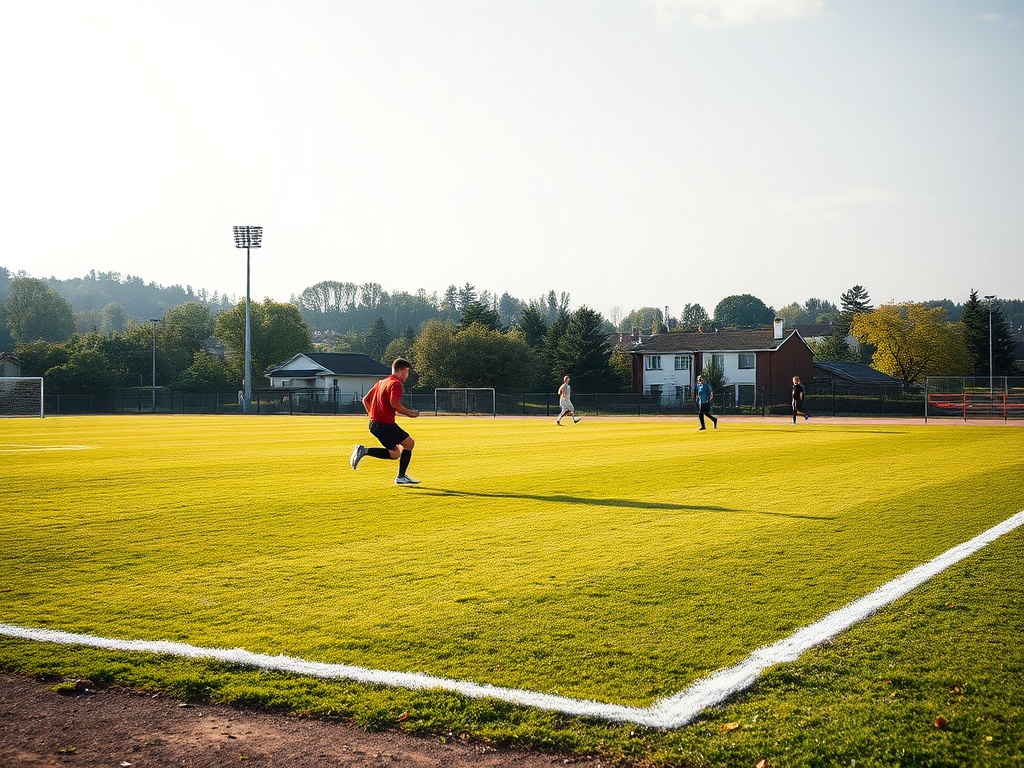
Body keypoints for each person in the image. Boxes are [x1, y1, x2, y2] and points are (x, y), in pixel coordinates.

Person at [350, 358, 421, 485]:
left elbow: (365, 400)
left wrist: (372, 416)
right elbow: (395, 404)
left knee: (397, 452)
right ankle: (400, 477)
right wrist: (410, 413)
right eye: (406, 372)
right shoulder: (396, 384)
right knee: (407, 445)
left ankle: (365, 451)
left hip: (376, 424)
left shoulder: (381, 382)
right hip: (384, 424)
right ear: (400, 371)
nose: (407, 375)